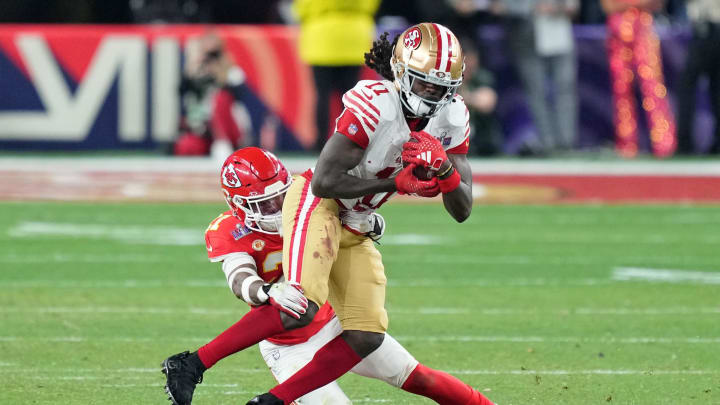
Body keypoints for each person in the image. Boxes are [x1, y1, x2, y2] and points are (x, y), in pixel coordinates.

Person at [160, 23, 478, 405]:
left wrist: (444, 171)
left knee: (366, 335)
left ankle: (270, 402)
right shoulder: (375, 103)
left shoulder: (453, 116)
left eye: (441, 88)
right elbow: (324, 182)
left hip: (355, 222)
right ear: (401, 74)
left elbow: (462, 209)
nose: (432, 95)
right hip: (321, 204)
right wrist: (396, 185)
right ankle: (192, 364)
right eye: (424, 83)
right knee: (300, 304)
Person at [162, 147, 493, 405]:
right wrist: (266, 293)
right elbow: (239, 278)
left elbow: (364, 222)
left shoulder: (307, 202)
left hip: (336, 322)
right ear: (238, 206)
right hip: (289, 347)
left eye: (281, 197)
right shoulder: (228, 231)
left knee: (419, 378)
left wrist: (365, 223)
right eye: (265, 204)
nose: (278, 210)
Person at [292, 0, 381, 151]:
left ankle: (320, 143)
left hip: (321, 37)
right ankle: (349, 141)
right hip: (354, 38)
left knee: (322, 95)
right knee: (351, 98)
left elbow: (301, 8)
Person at [494, 0, 579, 155]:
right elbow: (500, 6)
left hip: (560, 34)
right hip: (527, 38)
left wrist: (560, 7)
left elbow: (573, 6)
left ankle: (566, 142)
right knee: (536, 92)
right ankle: (548, 143)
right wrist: (532, 7)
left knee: (565, 89)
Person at [601, 0, 676, 158]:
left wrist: (626, 4)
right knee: (621, 90)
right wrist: (637, 4)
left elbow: (657, 4)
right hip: (618, 28)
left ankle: (664, 143)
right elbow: (608, 6)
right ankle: (627, 145)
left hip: (642, 27)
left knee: (653, 87)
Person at [676, 0, 720, 155]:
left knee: (687, 85)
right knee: (716, 87)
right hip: (709, 27)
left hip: (707, 27)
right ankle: (716, 143)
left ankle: (684, 143)